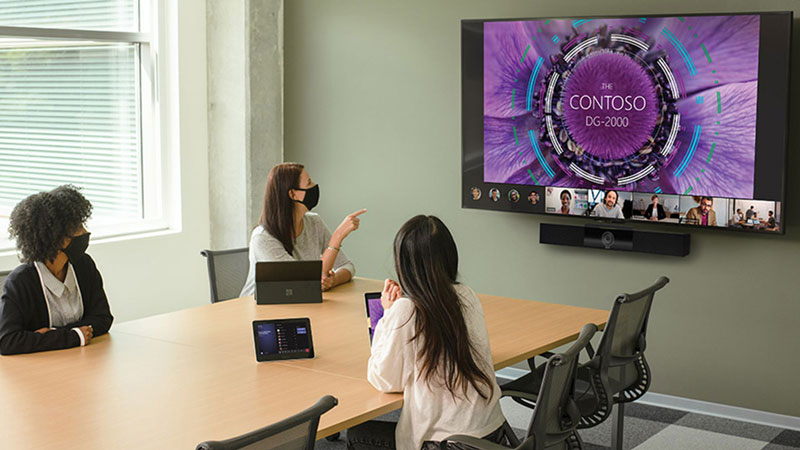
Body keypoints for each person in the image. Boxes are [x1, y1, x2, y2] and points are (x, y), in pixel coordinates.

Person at [348, 216, 510, 450]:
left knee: (357, 434)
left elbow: (384, 379)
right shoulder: (466, 295)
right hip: (492, 436)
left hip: (449, 443)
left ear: (404, 263)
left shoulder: (407, 309)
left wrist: (386, 316)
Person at [0, 185, 114, 355]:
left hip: (81, 360)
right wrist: (74, 336)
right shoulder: (20, 282)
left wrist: (51, 334)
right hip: (39, 372)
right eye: (76, 228)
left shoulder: (84, 265)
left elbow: (103, 318)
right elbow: (8, 341)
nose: (85, 232)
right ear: (54, 237)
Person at [239, 163, 364, 297]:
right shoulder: (263, 238)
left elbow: (347, 266)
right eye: (309, 183)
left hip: (297, 304)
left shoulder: (314, 223)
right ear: (293, 194)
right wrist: (337, 237)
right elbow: (302, 282)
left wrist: (333, 280)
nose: (314, 186)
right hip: (258, 311)